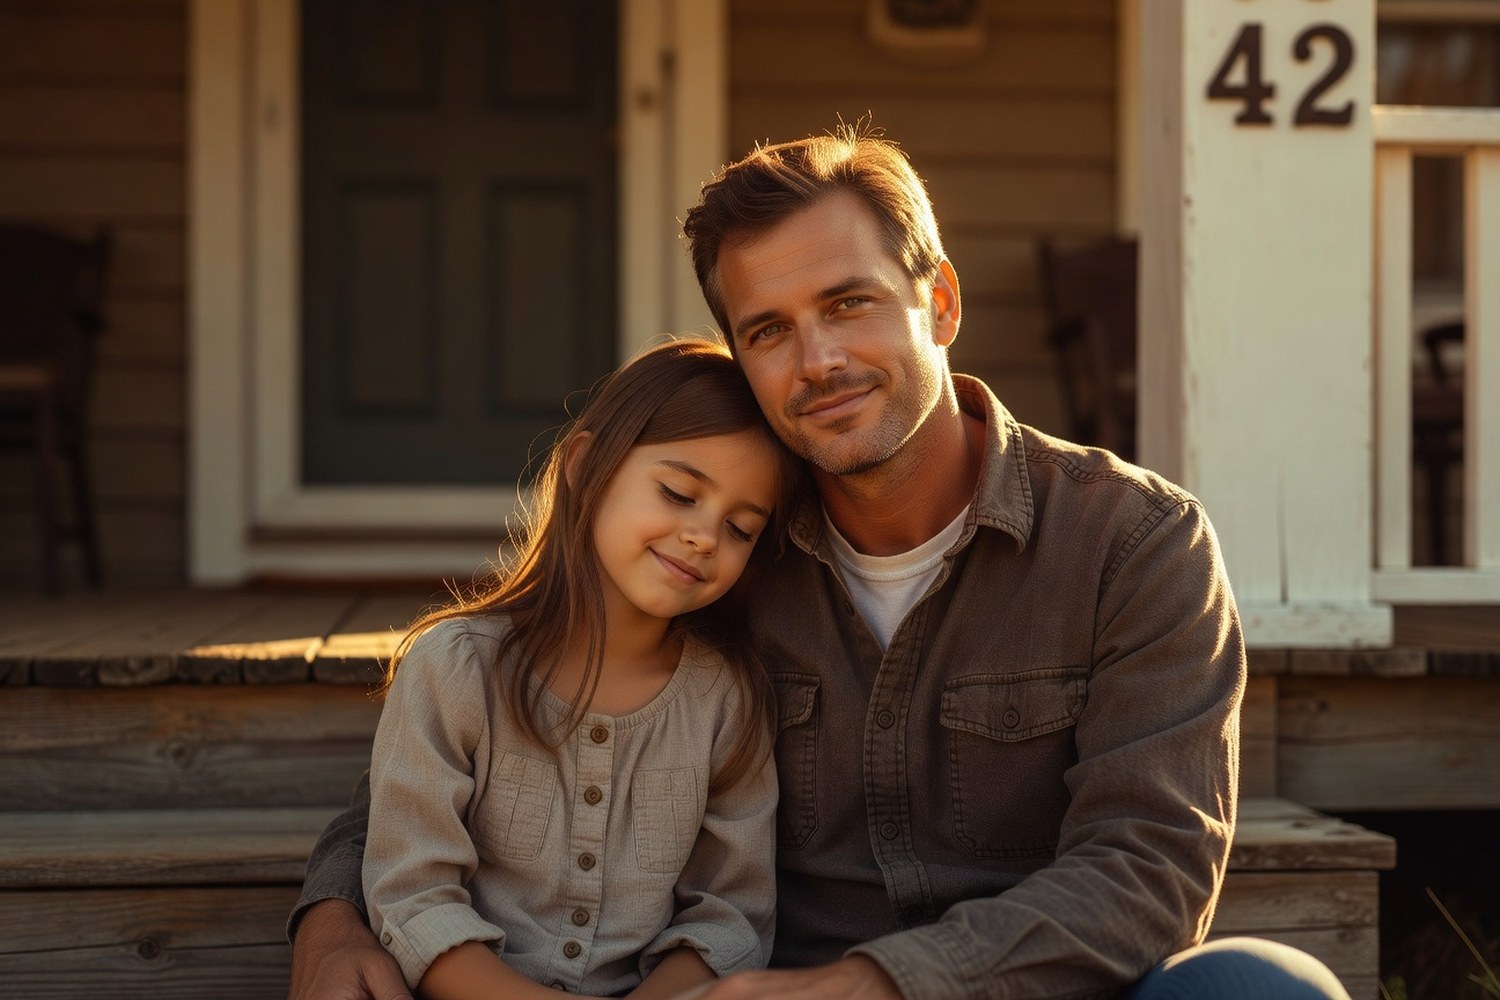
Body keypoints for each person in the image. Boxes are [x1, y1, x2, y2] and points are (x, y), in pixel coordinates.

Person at [288, 126, 1351, 1000]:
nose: (819, 360)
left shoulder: (1134, 544)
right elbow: (466, 757)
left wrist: (870, 985)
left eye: (849, 304)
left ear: (937, 301)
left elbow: (1150, 875)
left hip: (1020, 990)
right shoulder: (719, 553)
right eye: (769, 330)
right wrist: (332, 922)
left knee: (1267, 989)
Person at [350, 339, 801, 1000]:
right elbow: (414, 896)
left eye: (740, 528)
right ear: (587, 466)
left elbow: (732, 913)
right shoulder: (454, 670)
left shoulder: (727, 700)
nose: (704, 535)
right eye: (679, 493)